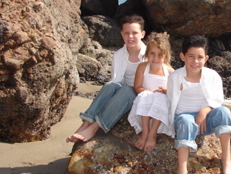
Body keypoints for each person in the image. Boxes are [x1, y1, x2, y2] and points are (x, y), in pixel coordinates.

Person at [167, 35, 231, 174]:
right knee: (185, 120)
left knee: (224, 112)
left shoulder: (212, 76)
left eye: (199, 57)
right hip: (184, 121)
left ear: (206, 58)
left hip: (206, 122)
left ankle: (226, 160)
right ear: (182, 56)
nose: (195, 61)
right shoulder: (174, 77)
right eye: (191, 56)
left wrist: (204, 111)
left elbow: (219, 100)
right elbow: (170, 102)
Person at [66, 14, 146, 143]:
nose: (130, 37)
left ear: (142, 34)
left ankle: (94, 127)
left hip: (139, 94)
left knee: (126, 90)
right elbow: (115, 80)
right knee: (110, 85)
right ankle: (85, 124)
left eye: (134, 33)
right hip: (122, 92)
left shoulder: (149, 56)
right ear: (121, 34)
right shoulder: (119, 55)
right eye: (127, 33)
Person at [128, 32, 175, 151]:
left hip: (161, 104)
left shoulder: (169, 71)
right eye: (152, 54)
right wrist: (149, 92)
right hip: (146, 100)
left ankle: (152, 133)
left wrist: (166, 90)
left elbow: (175, 91)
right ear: (147, 54)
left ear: (165, 56)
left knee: (160, 97)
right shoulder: (142, 67)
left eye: (160, 55)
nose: (155, 58)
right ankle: (145, 131)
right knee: (145, 95)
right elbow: (137, 87)